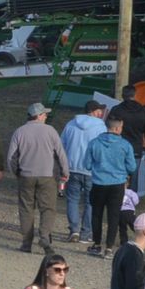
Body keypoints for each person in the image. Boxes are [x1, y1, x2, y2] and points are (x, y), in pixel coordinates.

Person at [6, 103, 69, 253]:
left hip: (26, 176)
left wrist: (16, 173)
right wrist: (65, 173)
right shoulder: (50, 131)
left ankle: (26, 243)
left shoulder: (19, 132)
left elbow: (11, 158)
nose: (46, 116)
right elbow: (60, 154)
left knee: (26, 209)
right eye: (45, 114)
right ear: (39, 115)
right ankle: (44, 237)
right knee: (48, 209)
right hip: (47, 176)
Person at [86, 116, 137, 256]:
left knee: (96, 214)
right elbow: (132, 166)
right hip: (117, 184)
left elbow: (87, 165)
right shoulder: (125, 145)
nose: (122, 130)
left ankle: (96, 243)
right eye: (121, 127)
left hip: (98, 183)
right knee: (113, 215)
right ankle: (109, 247)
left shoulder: (94, 143)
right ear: (116, 128)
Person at [59, 100, 106, 243]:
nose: (101, 113)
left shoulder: (71, 124)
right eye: (99, 110)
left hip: (72, 168)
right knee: (90, 202)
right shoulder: (101, 127)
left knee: (72, 200)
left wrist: (63, 166)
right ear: (94, 111)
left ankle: (74, 230)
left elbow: (61, 145)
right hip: (92, 170)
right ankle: (86, 233)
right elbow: (102, 149)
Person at [108, 84, 145, 197]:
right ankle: (130, 203)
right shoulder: (143, 111)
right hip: (136, 150)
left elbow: (108, 129)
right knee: (133, 179)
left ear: (122, 95)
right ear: (134, 95)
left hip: (118, 149)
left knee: (117, 176)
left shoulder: (116, 110)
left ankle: (116, 200)